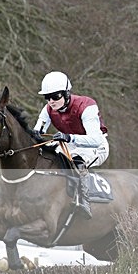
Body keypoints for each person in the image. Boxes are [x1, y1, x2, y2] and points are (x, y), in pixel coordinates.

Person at [32, 71, 109, 219]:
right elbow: (38, 131)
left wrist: (69, 137)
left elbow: (95, 140)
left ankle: (83, 201)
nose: (51, 101)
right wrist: (35, 135)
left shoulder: (86, 106)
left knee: (76, 161)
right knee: (46, 156)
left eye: (55, 96)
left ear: (67, 93)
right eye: (47, 97)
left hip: (95, 147)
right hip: (69, 144)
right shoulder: (48, 109)